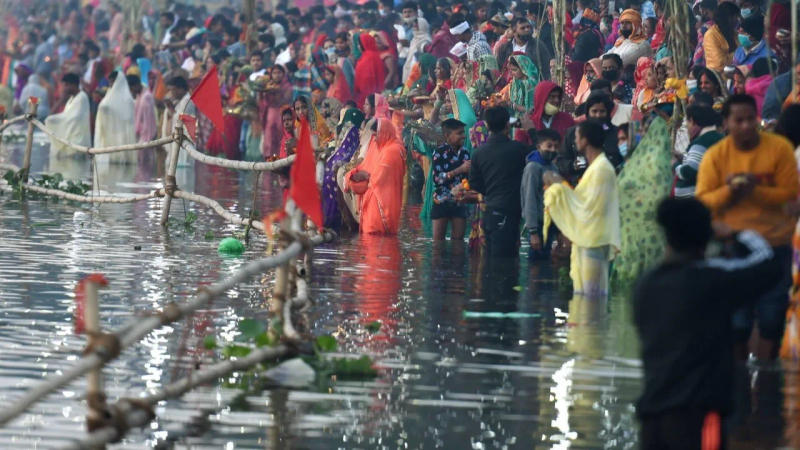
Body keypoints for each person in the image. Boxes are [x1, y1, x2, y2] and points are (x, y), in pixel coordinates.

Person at [633, 197, 780, 450]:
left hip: (652, 418)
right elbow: (768, 262)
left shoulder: (645, 285)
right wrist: (735, 234)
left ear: (667, 236)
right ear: (706, 236)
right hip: (699, 417)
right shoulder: (712, 281)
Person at [696, 94, 799, 360]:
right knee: (736, 323)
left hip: (775, 246)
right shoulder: (716, 156)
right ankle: (739, 381)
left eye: (750, 120)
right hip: (734, 249)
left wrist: (755, 189)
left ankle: (765, 381)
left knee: (772, 319)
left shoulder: (779, 149)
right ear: (726, 123)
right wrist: (729, 191)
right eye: (738, 121)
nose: (745, 126)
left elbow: (790, 195)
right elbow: (703, 202)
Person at [543, 120, 621, 298]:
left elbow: (589, 208)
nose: (574, 140)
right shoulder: (595, 167)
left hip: (594, 242)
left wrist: (559, 185)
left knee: (591, 300)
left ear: (585, 140)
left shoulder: (602, 169)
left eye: (577, 136)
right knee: (584, 300)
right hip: (587, 242)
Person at [611, 116, 674, 285]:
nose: (621, 144)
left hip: (646, 236)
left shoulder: (652, 165)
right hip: (626, 237)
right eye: (619, 140)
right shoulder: (625, 167)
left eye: (624, 139)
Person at [468, 107, 528, 258]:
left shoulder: (479, 153)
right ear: (508, 125)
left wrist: (491, 190)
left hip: (490, 211)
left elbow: (475, 184)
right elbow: (539, 154)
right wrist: (531, 130)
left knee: (491, 261)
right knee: (508, 263)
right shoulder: (518, 149)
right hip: (511, 211)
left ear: (487, 126)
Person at [345, 119, 406, 235]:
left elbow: (377, 179)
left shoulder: (392, 151)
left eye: (377, 134)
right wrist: (356, 176)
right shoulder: (383, 147)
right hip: (378, 203)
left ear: (384, 132)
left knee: (378, 241)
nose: (375, 138)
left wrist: (362, 176)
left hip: (382, 206)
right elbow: (366, 170)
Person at [521, 129, 560, 261]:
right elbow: (529, 198)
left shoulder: (553, 167)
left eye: (555, 146)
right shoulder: (533, 168)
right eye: (549, 146)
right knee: (536, 266)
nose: (552, 150)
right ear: (539, 147)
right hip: (538, 225)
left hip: (550, 223)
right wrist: (533, 232)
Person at [430, 118, 471, 241]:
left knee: (458, 243)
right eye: (459, 133)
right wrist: (460, 170)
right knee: (438, 243)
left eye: (464, 133)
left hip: (460, 200)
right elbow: (437, 179)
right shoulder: (439, 152)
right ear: (447, 135)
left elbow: (467, 179)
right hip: (441, 200)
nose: (463, 136)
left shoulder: (465, 153)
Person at [673, 104, 724, 198]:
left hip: (695, 201)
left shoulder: (703, 142)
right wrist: (682, 158)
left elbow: (690, 171)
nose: (687, 128)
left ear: (692, 121)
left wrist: (675, 165)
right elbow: (699, 164)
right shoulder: (714, 137)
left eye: (686, 123)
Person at [45, 73, 91, 158]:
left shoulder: (81, 97)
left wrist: (53, 119)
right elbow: (65, 115)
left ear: (73, 85)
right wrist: (61, 100)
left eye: (66, 85)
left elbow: (73, 119)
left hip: (78, 141)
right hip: (71, 140)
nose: (64, 88)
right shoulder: (71, 99)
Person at [94, 72, 136, 165]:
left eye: (113, 82)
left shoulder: (127, 99)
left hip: (122, 135)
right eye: (110, 82)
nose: (111, 85)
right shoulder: (109, 94)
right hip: (111, 133)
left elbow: (127, 118)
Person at [702, 1, 740, 72]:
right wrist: (739, 54)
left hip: (735, 73)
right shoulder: (710, 35)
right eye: (735, 17)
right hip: (718, 78)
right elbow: (718, 64)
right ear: (728, 18)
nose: (736, 20)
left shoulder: (734, 32)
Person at [353, 33, 387, 106]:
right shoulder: (376, 55)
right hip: (378, 93)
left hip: (366, 95)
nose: (358, 47)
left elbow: (364, 80)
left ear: (364, 44)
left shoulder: (366, 59)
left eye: (360, 44)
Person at [128, 74, 156, 144]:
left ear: (136, 86)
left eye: (131, 89)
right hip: (141, 135)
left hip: (146, 138)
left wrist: (147, 140)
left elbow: (148, 122)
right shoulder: (139, 96)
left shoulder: (146, 98)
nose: (131, 92)